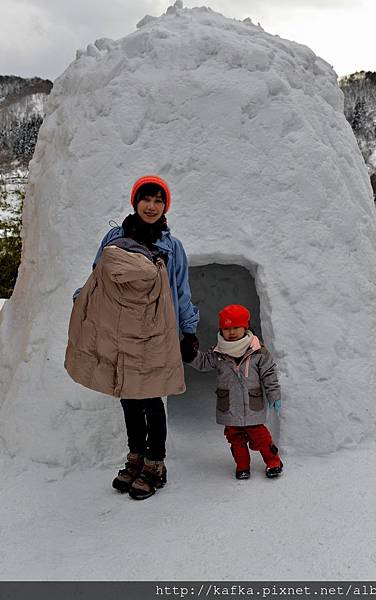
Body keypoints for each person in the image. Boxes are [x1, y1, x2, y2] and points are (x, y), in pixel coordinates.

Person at [66, 175, 199, 500]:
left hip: (154, 331)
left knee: (151, 398)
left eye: (158, 201)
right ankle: (135, 457)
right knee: (128, 396)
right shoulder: (114, 237)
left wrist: (189, 330)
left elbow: (180, 290)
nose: (151, 206)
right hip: (118, 330)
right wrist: (83, 299)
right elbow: (98, 275)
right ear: (135, 202)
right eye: (146, 199)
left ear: (165, 206)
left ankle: (155, 464)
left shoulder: (172, 247)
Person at [181, 304, 282, 480]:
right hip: (229, 406)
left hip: (252, 405)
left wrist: (274, 395)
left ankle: (273, 461)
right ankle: (242, 466)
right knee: (235, 440)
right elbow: (204, 363)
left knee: (261, 437)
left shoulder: (257, 351)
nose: (232, 332)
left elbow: (269, 374)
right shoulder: (218, 352)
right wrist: (191, 355)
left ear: (246, 327)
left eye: (236, 327)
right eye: (227, 328)